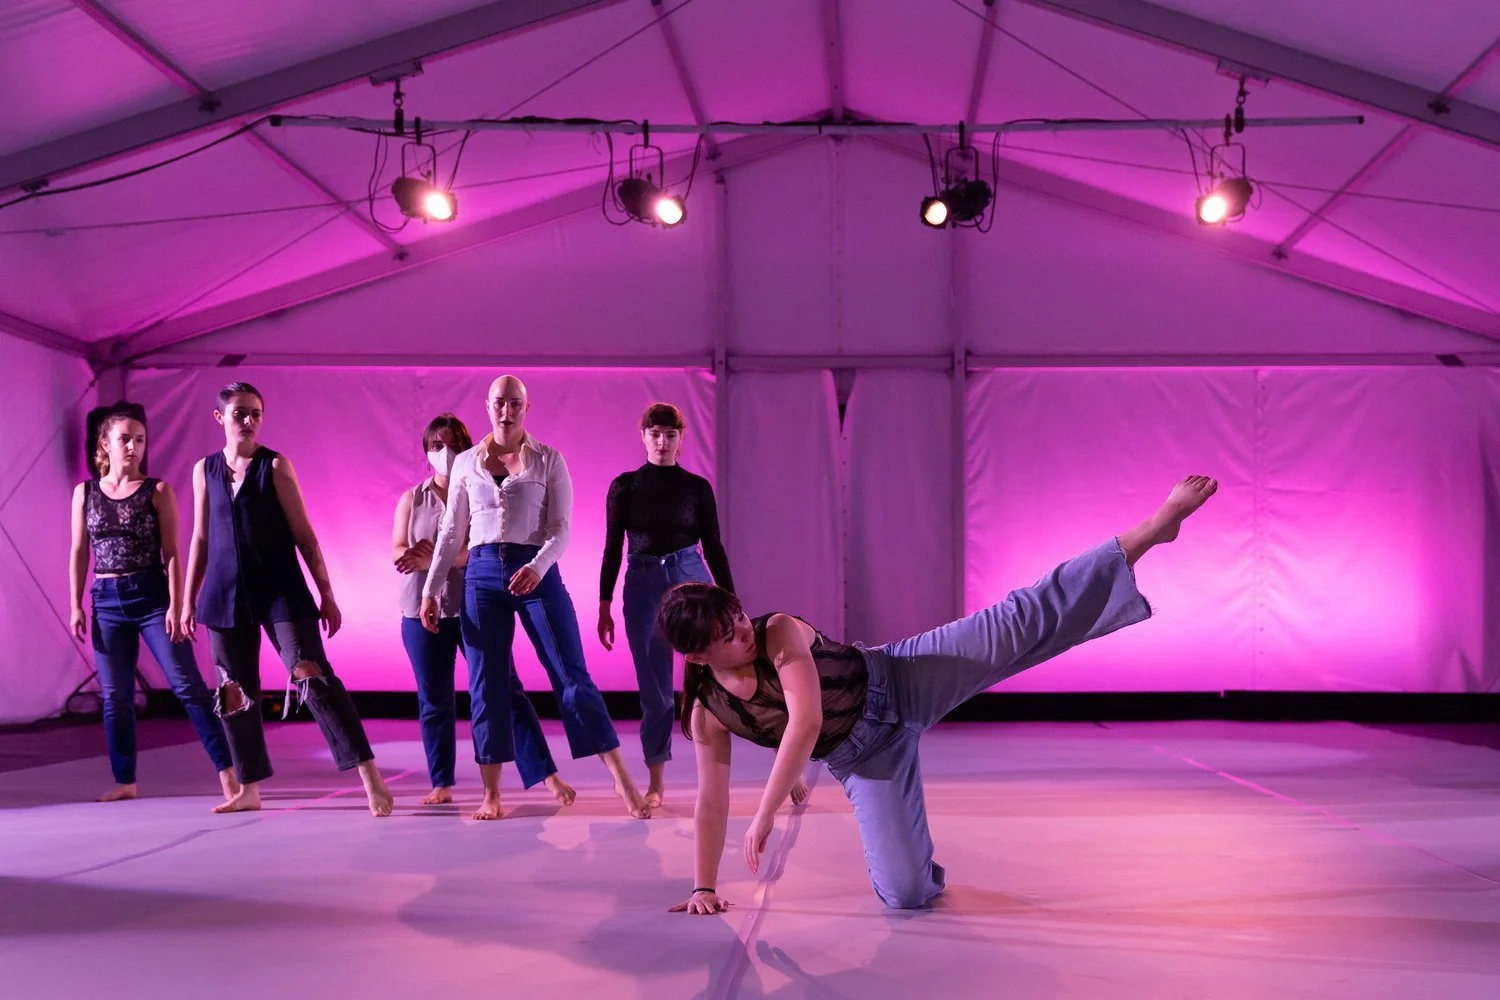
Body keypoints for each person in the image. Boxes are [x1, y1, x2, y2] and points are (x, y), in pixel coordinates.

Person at [659, 476, 1219, 912]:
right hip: (864, 758)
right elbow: (711, 801)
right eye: (725, 633)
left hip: (901, 676)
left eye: (735, 615)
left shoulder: (776, 630)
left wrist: (765, 814)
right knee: (904, 894)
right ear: (698, 657)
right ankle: (917, 858)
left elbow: (804, 723)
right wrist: (703, 885)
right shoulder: (709, 713)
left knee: (1018, 621)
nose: (741, 628)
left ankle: (1148, 531)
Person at [421, 375, 647, 820]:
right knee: (487, 684)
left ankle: (620, 777)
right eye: (500, 403)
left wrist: (537, 566)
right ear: (488, 406)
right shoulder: (467, 462)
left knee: (570, 675)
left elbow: (562, 529)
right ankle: (492, 794)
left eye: (515, 404)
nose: (507, 411)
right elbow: (451, 531)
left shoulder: (549, 460)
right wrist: (430, 588)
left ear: (527, 408)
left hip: (536, 571)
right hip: (481, 574)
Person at [182, 381, 393, 817]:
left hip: (280, 589)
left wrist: (327, 594)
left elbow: (306, 536)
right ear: (220, 418)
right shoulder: (204, 471)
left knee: (312, 678)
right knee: (233, 691)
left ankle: (369, 775)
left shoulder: (275, 466)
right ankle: (249, 787)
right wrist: (186, 600)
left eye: (256, 412)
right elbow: (200, 538)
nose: (249, 420)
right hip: (224, 594)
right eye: (240, 412)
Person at [394, 413, 574, 808]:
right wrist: (416, 560)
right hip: (421, 610)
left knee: (505, 692)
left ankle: (544, 774)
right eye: (435, 446)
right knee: (433, 699)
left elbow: (481, 548)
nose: (444, 453)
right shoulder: (413, 497)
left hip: (474, 605)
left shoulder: (479, 486)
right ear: (426, 452)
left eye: (452, 444)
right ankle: (441, 781)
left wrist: (436, 561)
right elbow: (398, 548)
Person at [67, 411, 236, 803]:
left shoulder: (156, 490)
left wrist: (178, 606)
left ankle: (228, 772)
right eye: (125, 439)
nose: (133, 447)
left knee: (187, 685)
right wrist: (75, 604)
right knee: (116, 696)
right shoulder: (85, 493)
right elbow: (78, 551)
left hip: (151, 596)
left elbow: (173, 554)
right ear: (105, 444)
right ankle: (124, 779)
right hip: (105, 600)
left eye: (140, 440)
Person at [598, 402, 747, 810]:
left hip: (690, 574)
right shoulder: (624, 486)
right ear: (643, 436)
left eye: (670, 434)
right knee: (656, 689)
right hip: (643, 579)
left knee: (711, 675)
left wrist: (731, 599)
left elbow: (713, 546)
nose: (662, 441)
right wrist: (604, 602)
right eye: (655, 433)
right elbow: (613, 547)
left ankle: (724, 772)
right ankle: (656, 780)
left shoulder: (697, 488)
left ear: (681, 439)